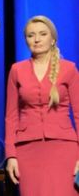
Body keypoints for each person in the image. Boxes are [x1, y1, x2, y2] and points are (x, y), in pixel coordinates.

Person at [5, 15, 79, 195]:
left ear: (52, 39)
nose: (36, 39)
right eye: (31, 35)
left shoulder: (69, 69)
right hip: (27, 150)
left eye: (42, 34)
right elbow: (11, 117)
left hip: (64, 149)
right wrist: (11, 155)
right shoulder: (17, 70)